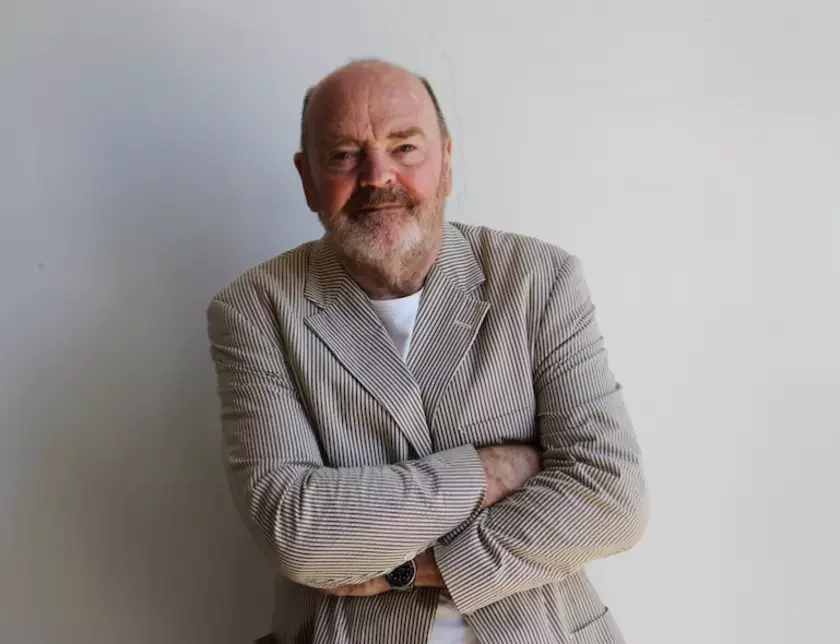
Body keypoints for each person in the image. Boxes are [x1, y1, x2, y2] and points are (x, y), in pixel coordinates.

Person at [207, 58, 647, 644]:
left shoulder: (540, 279)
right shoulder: (253, 309)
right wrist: (489, 472)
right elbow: (297, 531)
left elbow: (611, 496)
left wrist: (413, 569)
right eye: (343, 155)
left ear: (446, 163)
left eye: (405, 147)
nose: (377, 176)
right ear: (307, 179)